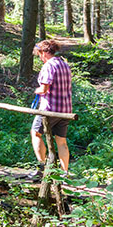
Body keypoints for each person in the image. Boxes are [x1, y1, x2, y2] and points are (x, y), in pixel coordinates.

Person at [28, 39, 72, 180]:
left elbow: (44, 88)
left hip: (49, 110)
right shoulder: (64, 65)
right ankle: (64, 172)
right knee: (61, 141)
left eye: (39, 54)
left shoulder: (49, 66)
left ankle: (42, 168)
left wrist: (37, 90)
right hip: (65, 110)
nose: (39, 57)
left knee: (35, 133)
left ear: (44, 52)